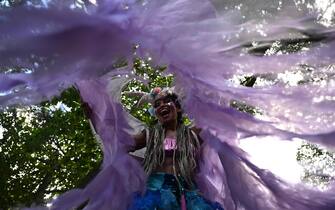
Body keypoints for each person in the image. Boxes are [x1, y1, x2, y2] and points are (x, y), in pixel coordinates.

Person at [127, 87, 224, 210]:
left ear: (178, 108)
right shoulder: (151, 134)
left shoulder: (192, 134)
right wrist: (99, 112)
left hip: (189, 192)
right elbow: (122, 142)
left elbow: (216, 120)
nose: (161, 106)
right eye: (157, 105)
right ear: (155, 113)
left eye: (167, 101)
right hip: (155, 190)